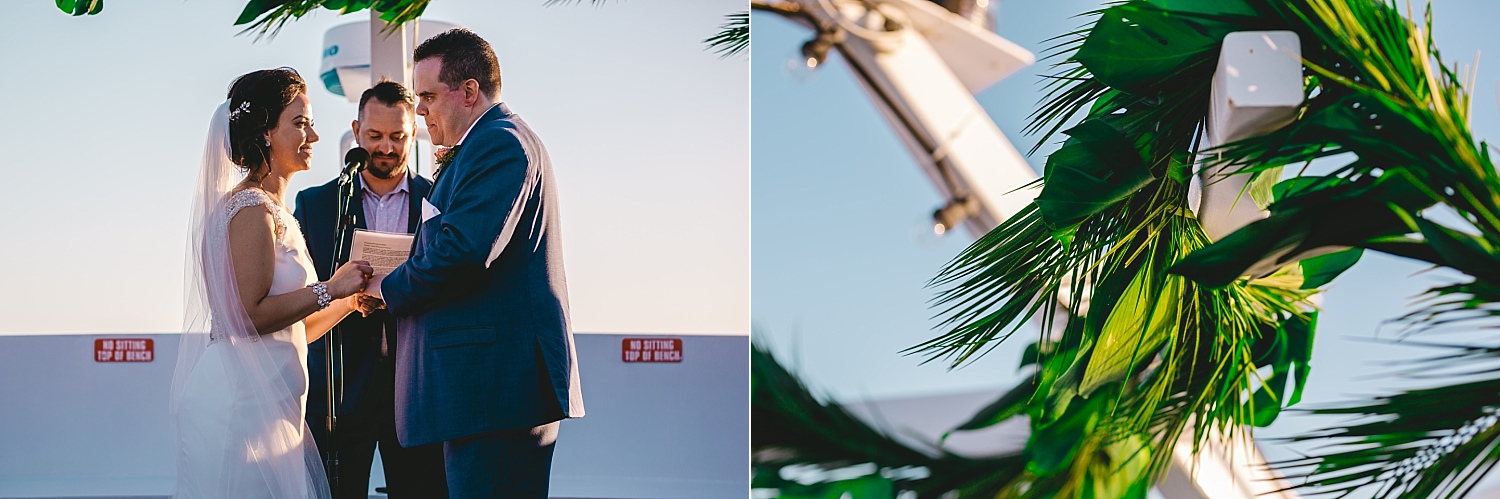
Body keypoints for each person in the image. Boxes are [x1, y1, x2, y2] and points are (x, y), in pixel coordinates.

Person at [380, 28, 584, 497]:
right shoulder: (488, 143)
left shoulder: (499, 143)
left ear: (469, 91)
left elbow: (462, 252)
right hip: (488, 390)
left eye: (428, 95)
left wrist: (385, 289)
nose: (421, 110)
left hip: (495, 388)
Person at [169, 67, 379, 498]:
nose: (314, 136)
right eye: (300, 123)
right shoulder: (251, 210)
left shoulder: (271, 210)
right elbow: (250, 315)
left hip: (273, 404)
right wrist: (331, 287)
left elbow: (294, 329)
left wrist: (349, 301)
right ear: (264, 132)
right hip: (242, 406)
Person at [293, 80, 447, 498]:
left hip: (416, 385)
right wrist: (344, 294)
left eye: (397, 137)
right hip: (340, 388)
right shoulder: (317, 204)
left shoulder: (439, 200)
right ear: (356, 131)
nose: (386, 147)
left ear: (413, 134)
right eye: (375, 136)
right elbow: (301, 289)